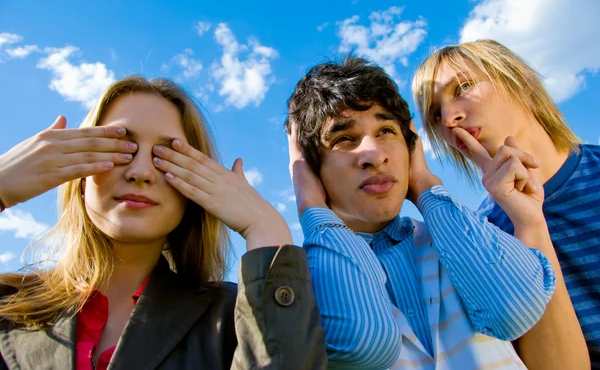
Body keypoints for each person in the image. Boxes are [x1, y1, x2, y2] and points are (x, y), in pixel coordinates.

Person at [0, 76, 326, 369]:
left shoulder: (237, 318)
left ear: (194, 187)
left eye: (165, 156)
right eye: (120, 147)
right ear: (80, 175)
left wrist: (265, 229)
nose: (140, 172)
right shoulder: (6, 302)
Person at [285, 56, 557, 369]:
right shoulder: (301, 278)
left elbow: (515, 312)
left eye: (387, 131)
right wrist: (311, 204)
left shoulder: (456, 235)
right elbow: (363, 346)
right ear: (310, 167)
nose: (374, 155)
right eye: (344, 138)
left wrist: (425, 184)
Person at [412, 38, 593, 369]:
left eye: (463, 87)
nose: (450, 118)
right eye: (436, 113)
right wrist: (528, 223)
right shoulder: (482, 236)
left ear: (518, 79)